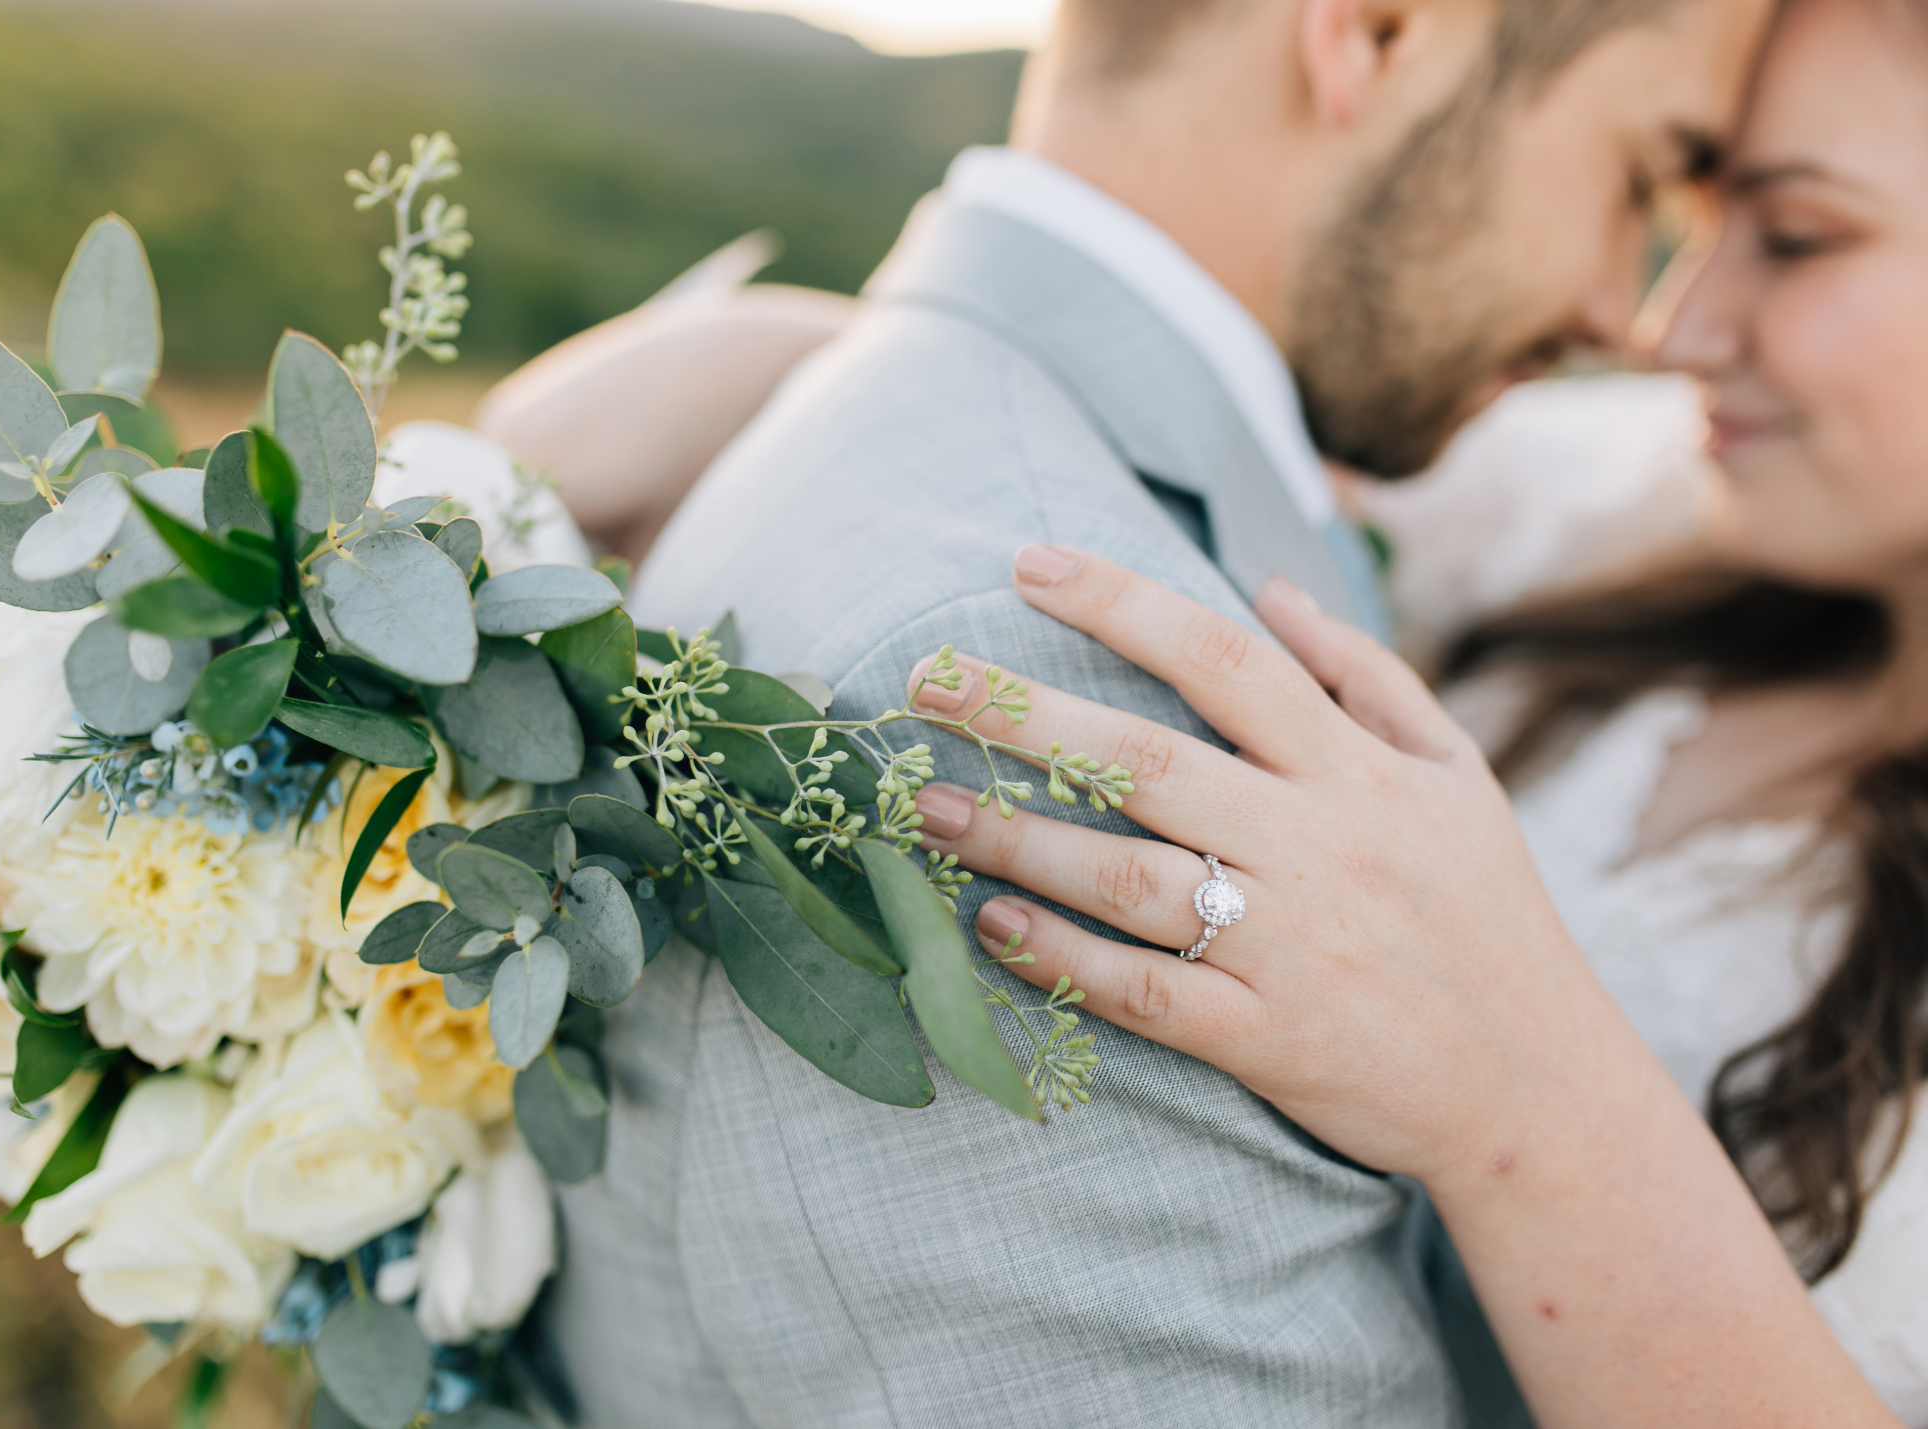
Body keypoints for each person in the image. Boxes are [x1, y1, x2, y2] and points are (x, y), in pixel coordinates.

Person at [520, 1, 1773, 1424]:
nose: (1632, 307)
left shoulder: (961, 436)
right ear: (1374, 33)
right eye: (1640, 176)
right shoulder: (1041, 678)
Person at [899, 0, 1928, 1422]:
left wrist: (1526, 1097)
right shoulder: (1616, 506)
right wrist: (807, 360)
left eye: (1799, 237)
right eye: (1677, 210)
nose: (1674, 327)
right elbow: (1193, 375)